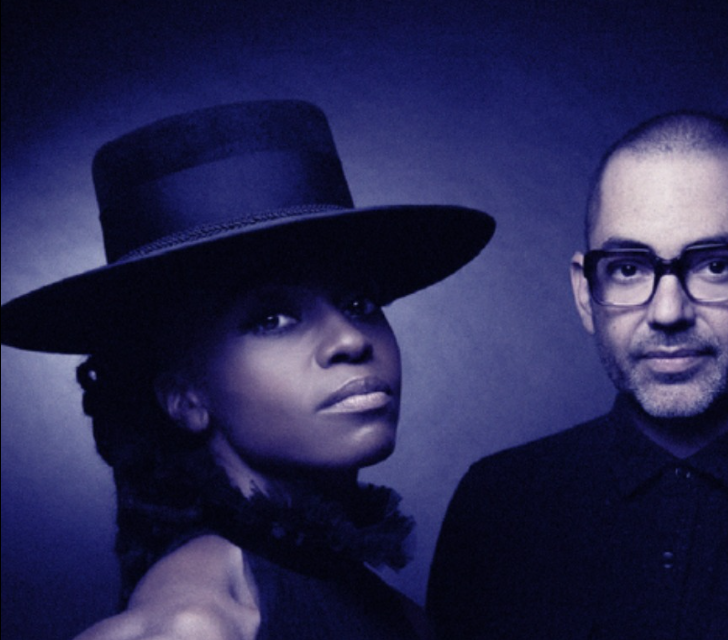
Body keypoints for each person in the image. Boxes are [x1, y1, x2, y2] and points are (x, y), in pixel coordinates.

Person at [1, 100, 494, 640]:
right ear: (184, 397)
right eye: (271, 319)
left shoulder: (398, 616)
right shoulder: (193, 629)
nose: (351, 340)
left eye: (359, 303)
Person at [426, 111, 728, 639]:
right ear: (585, 294)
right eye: (628, 269)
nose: (668, 312)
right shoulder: (495, 505)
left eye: (716, 265)